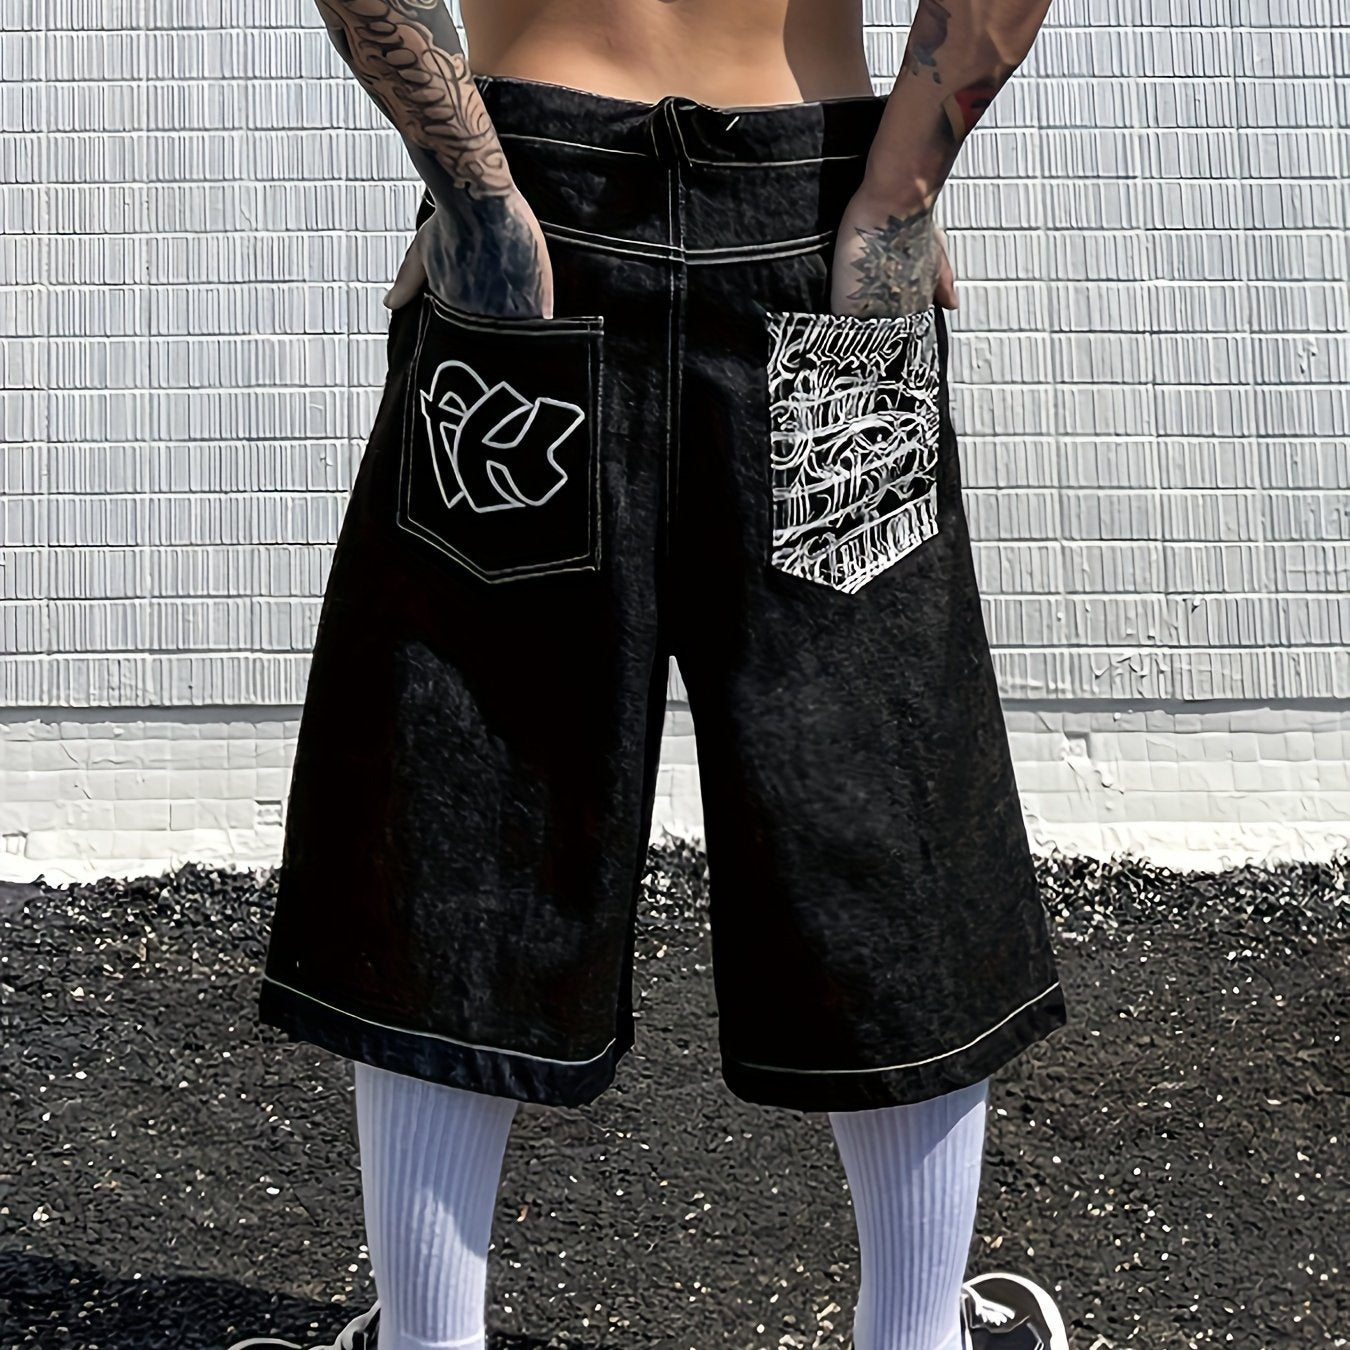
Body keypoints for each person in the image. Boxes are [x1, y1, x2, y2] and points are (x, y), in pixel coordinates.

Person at [229, 1, 1072, 1348]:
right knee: (878, 792)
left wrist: (478, 201)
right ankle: (915, 1335)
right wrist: (898, 191)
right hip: (812, 218)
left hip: (537, 203)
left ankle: (429, 1340)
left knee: (473, 786)